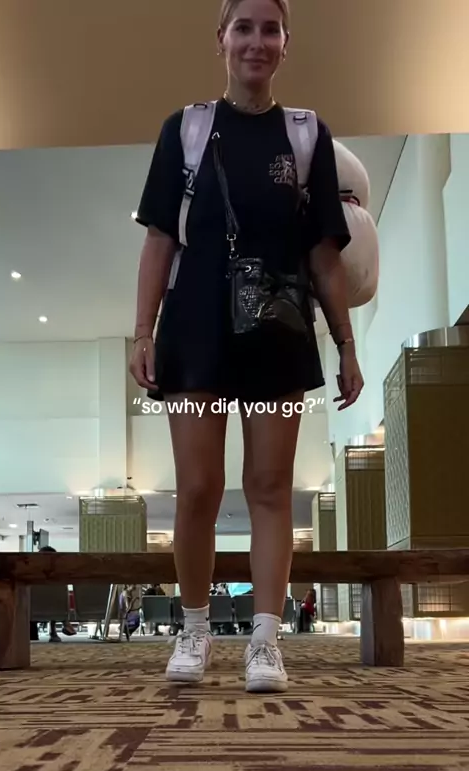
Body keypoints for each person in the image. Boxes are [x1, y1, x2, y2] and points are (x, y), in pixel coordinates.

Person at [130, 0, 363, 693]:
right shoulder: (186, 128)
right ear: (222, 39)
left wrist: (346, 344)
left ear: (286, 44)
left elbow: (324, 254)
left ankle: (265, 641)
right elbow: (160, 239)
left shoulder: (307, 135)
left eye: (270, 29)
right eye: (244, 27)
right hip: (194, 328)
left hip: (277, 330)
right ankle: (194, 630)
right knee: (198, 489)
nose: (256, 41)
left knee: (268, 487)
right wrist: (142, 331)